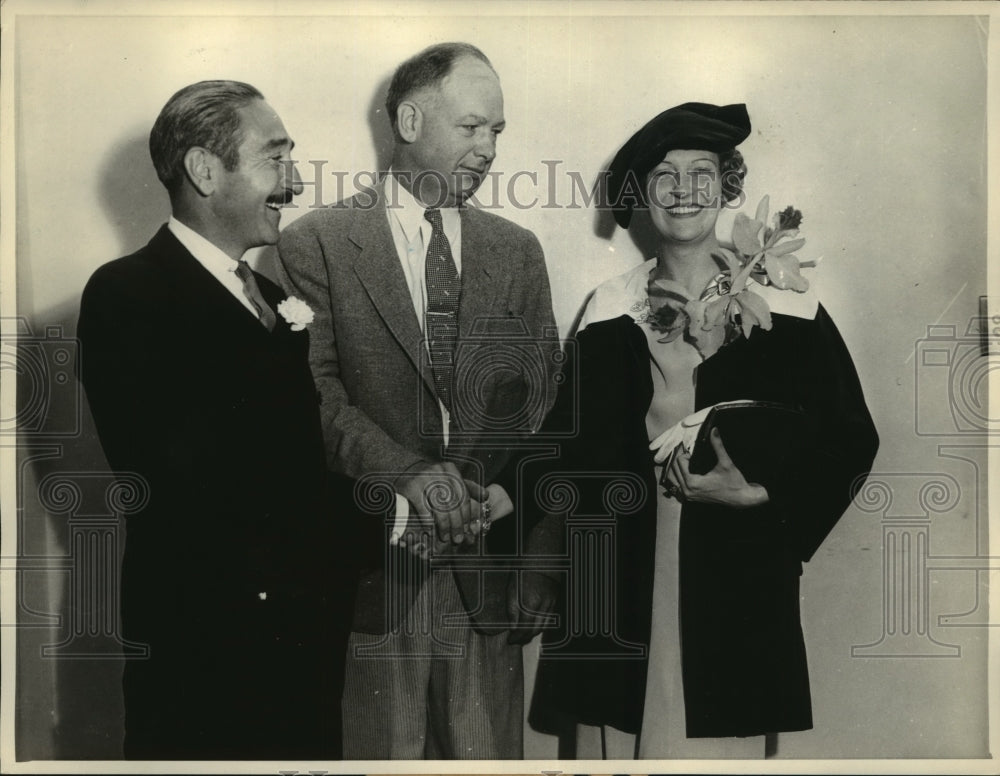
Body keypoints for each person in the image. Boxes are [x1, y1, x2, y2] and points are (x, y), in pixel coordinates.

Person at [527, 102, 879, 759]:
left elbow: (851, 438)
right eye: (664, 175)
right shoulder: (608, 310)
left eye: (701, 173)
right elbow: (564, 451)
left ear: (728, 186)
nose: (684, 190)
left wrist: (759, 497)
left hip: (733, 578)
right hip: (616, 583)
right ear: (642, 195)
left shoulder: (787, 305)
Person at [275, 43, 561, 759]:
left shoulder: (517, 250)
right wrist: (408, 477)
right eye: (471, 128)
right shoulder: (317, 243)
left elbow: (540, 397)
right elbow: (312, 394)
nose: (488, 149)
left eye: (497, 132)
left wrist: (491, 494)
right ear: (408, 120)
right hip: (372, 577)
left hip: (484, 578)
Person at [77, 80, 356, 760]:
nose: (293, 182)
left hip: (301, 653)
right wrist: (398, 514)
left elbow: (292, 467)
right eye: (276, 158)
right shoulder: (127, 295)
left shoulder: (269, 296)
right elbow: (204, 489)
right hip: (203, 665)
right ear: (205, 170)